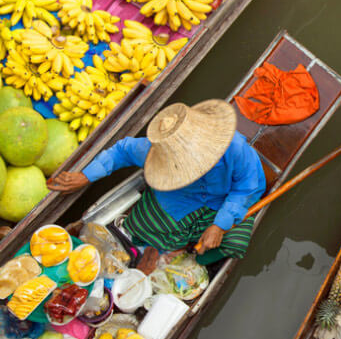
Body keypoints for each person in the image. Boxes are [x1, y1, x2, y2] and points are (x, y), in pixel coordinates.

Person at [48, 100, 266, 265]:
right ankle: (171, 247)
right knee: (142, 227)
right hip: (179, 199)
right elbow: (121, 151)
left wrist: (219, 224)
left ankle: (193, 258)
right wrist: (86, 176)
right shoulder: (155, 152)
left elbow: (248, 187)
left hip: (223, 202)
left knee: (235, 241)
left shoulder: (235, 150)